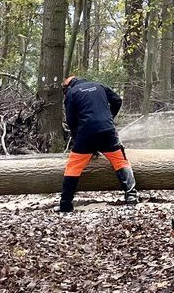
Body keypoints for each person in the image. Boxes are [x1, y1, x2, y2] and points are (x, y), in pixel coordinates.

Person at [58, 75, 138, 212]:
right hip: (107, 130)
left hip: (85, 133)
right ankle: (131, 197)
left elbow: (71, 120)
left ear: (68, 85)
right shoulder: (100, 85)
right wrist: (108, 118)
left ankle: (65, 204)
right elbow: (117, 100)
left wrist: (78, 138)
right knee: (121, 161)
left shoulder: (72, 93)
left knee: (73, 166)